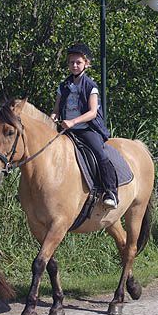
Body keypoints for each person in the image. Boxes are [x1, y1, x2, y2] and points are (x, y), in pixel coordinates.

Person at [51, 42, 119, 209]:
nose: (74, 65)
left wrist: (73, 122)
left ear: (86, 64)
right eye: (71, 62)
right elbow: (56, 109)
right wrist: (53, 117)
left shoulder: (90, 86)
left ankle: (111, 192)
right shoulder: (63, 86)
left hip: (87, 129)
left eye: (78, 62)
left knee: (100, 153)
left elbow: (92, 112)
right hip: (67, 130)